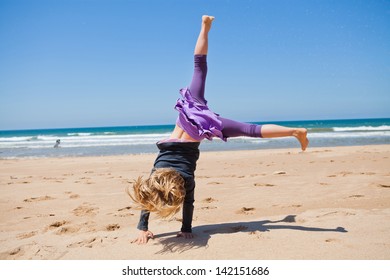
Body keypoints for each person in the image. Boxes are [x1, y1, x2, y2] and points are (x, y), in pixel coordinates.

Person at [128, 15, 308, 245]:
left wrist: (184, 228)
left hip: (201, 129)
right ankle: (205, 26)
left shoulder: (184, 180)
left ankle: (295, 132)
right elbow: (150, 195)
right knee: (199, 66)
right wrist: (147, 226)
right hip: (190, 113)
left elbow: (186, 202)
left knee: (250, 129)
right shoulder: (156, 173)